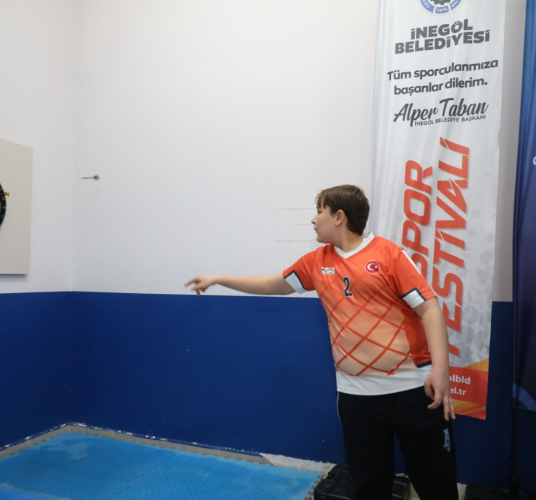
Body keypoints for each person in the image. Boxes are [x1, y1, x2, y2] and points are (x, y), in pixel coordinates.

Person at [185, 185, 458, 500]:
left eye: (319, 211)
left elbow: (429, 308)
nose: (314, 220)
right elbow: (272, 284)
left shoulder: (389, 254)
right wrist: (219, 278)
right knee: (369, 487)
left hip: (414, 390)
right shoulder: (316, 261)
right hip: (357, 397)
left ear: (339, 217)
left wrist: (440, 370)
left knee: (436, 484)